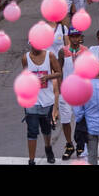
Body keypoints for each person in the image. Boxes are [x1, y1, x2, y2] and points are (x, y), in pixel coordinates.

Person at [24, 37, 59, 165]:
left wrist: (48, 77)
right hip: (32, 101)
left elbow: (59, 72)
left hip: (47, 101)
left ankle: (48, 148)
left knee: (46, 130)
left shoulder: (50, 56)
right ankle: (31, 160)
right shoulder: (25, 58)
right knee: (32, 131)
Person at [58, 28, 90, 160]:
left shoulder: (85, 51)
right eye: (73, 36)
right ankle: (69, 144)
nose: (75, 39)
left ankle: (80, 144)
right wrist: (60, 88)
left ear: (80, 37)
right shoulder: (63, 51)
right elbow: (59, 70)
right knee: (65, 119)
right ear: (69, 37)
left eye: (77, 36)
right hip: (66, 91)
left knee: (80, 119)